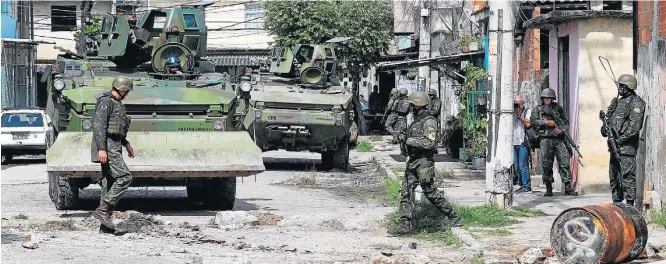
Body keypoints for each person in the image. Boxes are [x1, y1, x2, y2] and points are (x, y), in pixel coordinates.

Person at [387, 91, 462, 236]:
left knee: (430, 192)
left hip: (424, 163)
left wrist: (409, 141)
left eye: (412, 104)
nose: (409, 107)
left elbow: (430, 143)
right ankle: (405, 225)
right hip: (413, 161)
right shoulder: (416, 119)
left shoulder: (429, 120)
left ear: (417, 105)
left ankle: (453, 216)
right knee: (406, 192)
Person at [92, 76, 137, 232]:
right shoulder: (106, 102)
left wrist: (126, 144)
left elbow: (118, 128)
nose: (127, 94)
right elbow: (99, 126)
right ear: (123, 89)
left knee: (109, 182)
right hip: (108, 146)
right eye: (127, 91)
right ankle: (103, 210)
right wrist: (101, 149)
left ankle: (105, 226)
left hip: (115, 144)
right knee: (125, 177)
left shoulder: (117, 103)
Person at [601, 74, 645, 206]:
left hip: (626, 148)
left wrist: (619, 140)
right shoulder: (616, 102)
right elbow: (609, 123)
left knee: (627, 177)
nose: (619, 88)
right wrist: (605, 129)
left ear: (629, 87)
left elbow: (634, 127)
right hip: (614, 147)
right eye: (619, 85)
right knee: (614, 177)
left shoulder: (636, 103)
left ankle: (630, 207)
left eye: (621, 85)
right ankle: (617, 205)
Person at [530, 88, 578, 197]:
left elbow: (565, 122)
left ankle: (567, 187)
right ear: (542, 99)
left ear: (552, 99)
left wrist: (561, 130)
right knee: (547, 164)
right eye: (545, 98)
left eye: (549, 98)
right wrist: (546, 122)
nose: (547, 100)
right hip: (545, 139)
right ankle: (548, 188)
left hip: (558, 139)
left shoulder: (558, 109)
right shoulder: (538, 109)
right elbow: (533, 122)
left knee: (564, 161)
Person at [513, 96, 532, 193]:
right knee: (516, 166)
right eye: (515, 103)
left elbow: (528, 124)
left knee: (523, 165)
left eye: (519, 103)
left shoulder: (527, 111)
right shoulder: (512, 112)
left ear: (523, 103)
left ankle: (526, 185)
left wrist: (519, 116)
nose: (517, 105)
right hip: (514, 143)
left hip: (523, 142)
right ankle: (521, 185)